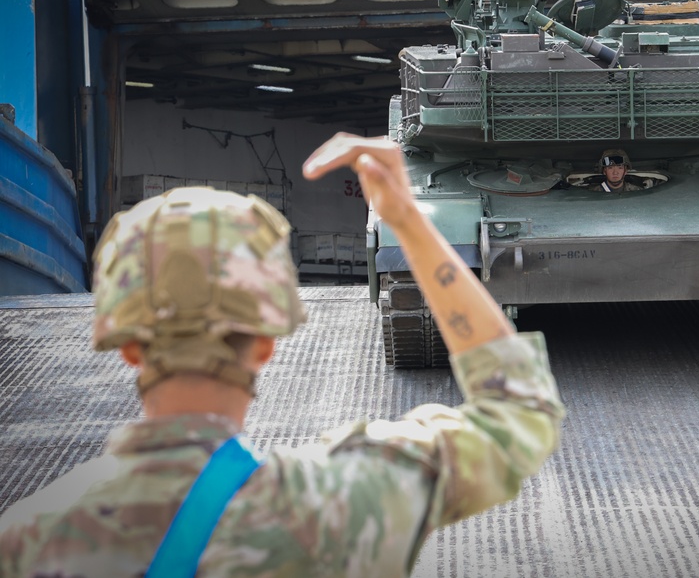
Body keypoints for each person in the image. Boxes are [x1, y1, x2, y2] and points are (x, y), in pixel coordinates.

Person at [0, 132, 565, 577]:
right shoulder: (340, 504)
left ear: (126, 347)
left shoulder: (27, 538)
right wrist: (410, 223)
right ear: (268, 342)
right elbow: (516, 416)